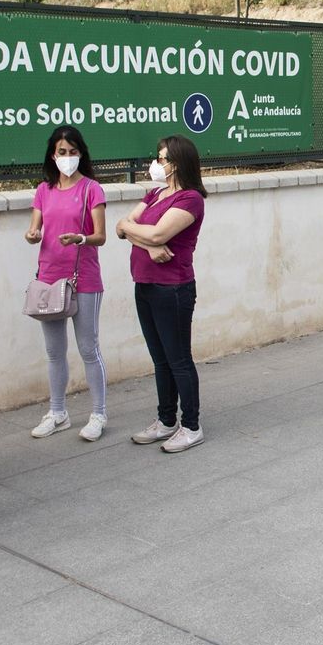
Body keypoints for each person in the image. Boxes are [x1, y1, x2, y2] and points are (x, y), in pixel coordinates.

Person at [117, 135, 208, 453]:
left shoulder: (191, 199)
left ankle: (191, 425)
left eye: (163, 158)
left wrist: (144, 236)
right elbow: (120, 226)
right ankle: (166, 420)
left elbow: (157, 232)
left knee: (178, 358)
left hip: (174, 289)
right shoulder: (154, 193)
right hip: (144, 283)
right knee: (160, 359)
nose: (157, 164)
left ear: (178, 163)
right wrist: (148, 244)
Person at [25, 125, 109, 440]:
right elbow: (34, 230)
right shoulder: (43, 190)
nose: (68, 157)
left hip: (83, 278)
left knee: (88, 347)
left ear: (81, 154)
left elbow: (100, 236)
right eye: (62, 152)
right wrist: (32, 234)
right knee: (54, 351)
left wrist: (81, 238)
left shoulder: (91, 189)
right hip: (48, 279)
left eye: (73, 152)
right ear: (53, 155)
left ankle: (99, 414)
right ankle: (57, 412)